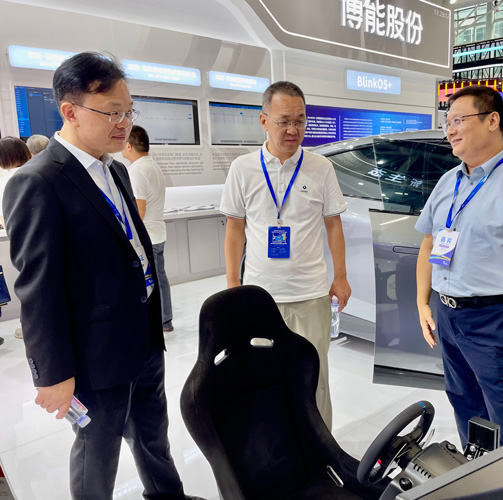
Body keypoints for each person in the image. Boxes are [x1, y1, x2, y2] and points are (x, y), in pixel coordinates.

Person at [3, 52, 203, 500]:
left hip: (143, 339)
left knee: (153, 433)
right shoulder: (38, 181)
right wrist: (52, 373)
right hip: (94, 354)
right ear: (70, 111)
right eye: (113, 113)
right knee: (98, 451)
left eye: (129, 112)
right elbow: (38, 287)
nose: (124, 124)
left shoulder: (117, 170)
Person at [415, 85, 503, 447]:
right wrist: (422, 302)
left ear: (492, 120)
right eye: (447, 122)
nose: (450, 130)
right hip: (449, 317)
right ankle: (476, 469)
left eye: (458, 120)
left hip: (496, 320)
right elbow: (429, 242)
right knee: (464, 403)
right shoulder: (449, 181)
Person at [220, 81, 351, 430]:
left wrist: (340, 276)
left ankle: (320, 449)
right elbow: (234, 228)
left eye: (300, 120)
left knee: (314, 377)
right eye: (284, 121)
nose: (293, 129)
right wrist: (233, 282)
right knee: (264, 378)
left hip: (311, 294)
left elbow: (333, 225)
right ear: (264, 121)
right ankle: (274, 447)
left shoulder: (321, 167)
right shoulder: (243, 168)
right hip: (260, 296)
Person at [122, 125, 173, 332]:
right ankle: (165, 320)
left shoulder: (137, 171)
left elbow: (139, 211)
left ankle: (161, 320)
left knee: (151, 280)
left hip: (147, 237)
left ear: (129, 145)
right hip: (157, 233)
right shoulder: (152, 166)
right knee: (159, 278)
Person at [0, 136, 32, 341]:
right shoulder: (36, 172)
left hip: (20, 240)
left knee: (27, 283)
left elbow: (5, 218)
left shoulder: (5, 179)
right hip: (44, 237)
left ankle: (27, 325)